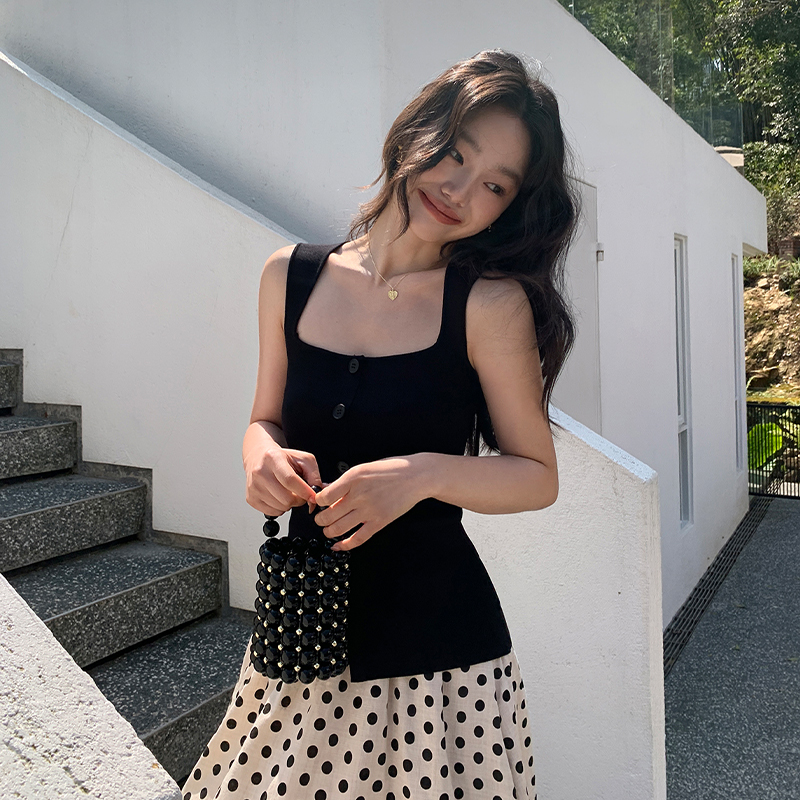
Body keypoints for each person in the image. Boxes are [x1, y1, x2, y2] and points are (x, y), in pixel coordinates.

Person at [181, 49, 579, 800]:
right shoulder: (289, 275)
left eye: (495, 184)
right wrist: (258, 455)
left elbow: (537, 477)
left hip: (440, 665)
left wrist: (420, 475)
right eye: (456, 153)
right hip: (303, 634)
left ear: (511, 205)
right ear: (416, 132)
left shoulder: (489, 305)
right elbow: (264, 418)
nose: (460, 190)